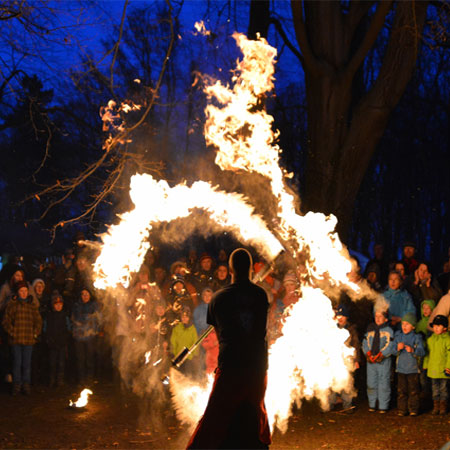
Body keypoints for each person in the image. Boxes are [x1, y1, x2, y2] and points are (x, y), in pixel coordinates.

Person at [187, 248, 271, 449]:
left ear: (230, 269)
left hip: (231, 364)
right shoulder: (260, 295)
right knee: (253, 412)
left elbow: (219, 329)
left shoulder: (218, 298)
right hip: (256, 366)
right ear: (250, 268)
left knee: (216, 417)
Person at [2, 281, 42, 395]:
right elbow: (6, 321)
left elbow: (38, 321)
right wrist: (12, 332)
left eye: (25, 291)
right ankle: (17, 385)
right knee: (17, 363)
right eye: (21, 291)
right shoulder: (12, 305)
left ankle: (26, 384)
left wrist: (35, 333)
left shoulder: (32, 305)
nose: (24, 293)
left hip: (29, 339)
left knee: (27, 363)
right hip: (16, 340)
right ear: (18, 292)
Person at [362, 308, 395, 413]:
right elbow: (365, 343)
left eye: (380, 316)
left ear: (385, 319)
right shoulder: (370, 329)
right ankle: (372, 404)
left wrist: (382, 354)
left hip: (383, 362)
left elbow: (390, 345)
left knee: (384, 383)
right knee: (371, 383)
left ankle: (383, 405)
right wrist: (368, 353)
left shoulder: (388, 331)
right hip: (371, 362)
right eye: (376, 316)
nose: (378, 318)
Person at [392, 313, 425, 416]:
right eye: (403, 324)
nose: (404, 326)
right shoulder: (399, 336)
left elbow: (422, 351)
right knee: (401, 391)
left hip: (413, 369)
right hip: (401, 369)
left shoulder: (416, 337)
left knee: (413, 391)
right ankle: (402, 410)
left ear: (413, 326)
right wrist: (397, 348)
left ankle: (413, 409)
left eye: (407, 324)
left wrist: (413, 350)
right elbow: (392, 351)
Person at [71, 287, 100, 385]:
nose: (85, 296)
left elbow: (98, 319)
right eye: (83, 294)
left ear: (90, 295)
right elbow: (74, 319)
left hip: (90, 336)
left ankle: (89, 378)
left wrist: (94, 328)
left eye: (87, 294)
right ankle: (81, 379)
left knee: (89, 358)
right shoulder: (76, 305)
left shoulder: (94, 305)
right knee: (80, 358)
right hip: (79, 336)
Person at [423, 315, 450, 415]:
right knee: (435, 389)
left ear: (445, 328)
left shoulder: (447, 340)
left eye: (439, 326)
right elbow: (427, 353)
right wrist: (425, 364)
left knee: (443, 389)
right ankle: (436, 406)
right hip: (433, 369)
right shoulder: (430, 340)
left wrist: (448, 366)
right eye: (434, 326)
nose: (436, 328)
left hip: (443, 370)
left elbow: (449, 354)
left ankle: (443, 406)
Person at [43, 291, 71, 386]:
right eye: (56, 304)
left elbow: (68, 328)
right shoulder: (49, 316)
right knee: (52, 363)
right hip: (52, 343)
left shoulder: (65, 316)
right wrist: (48, 339)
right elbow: (45, 329)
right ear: (53, 305)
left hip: (62, 343)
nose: (58, 306)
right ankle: (52, 379)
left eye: (60, 304)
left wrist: (65, 339)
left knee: (61, 363)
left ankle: (60, 380)